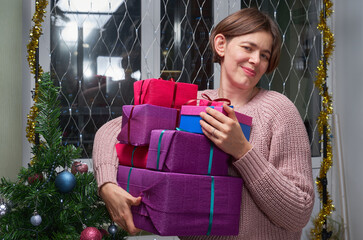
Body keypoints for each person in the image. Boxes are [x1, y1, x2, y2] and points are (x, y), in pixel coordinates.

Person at [92, 8, 315, 240]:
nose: (256, 60)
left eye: (265, 55)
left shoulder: (279, 111)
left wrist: (242, 151)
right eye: (248, 48)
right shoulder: (192, 104)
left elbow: (298, 214)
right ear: (221, 45)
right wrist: (107, 186)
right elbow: (109, 131)